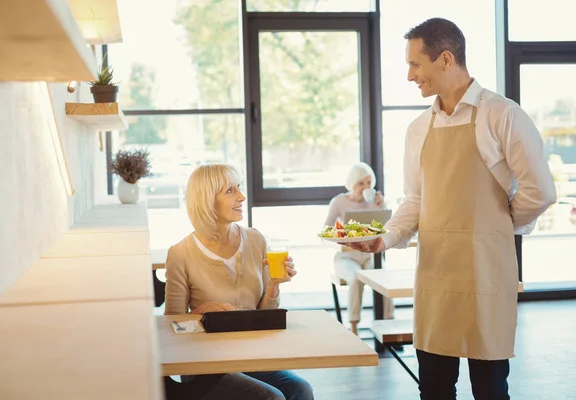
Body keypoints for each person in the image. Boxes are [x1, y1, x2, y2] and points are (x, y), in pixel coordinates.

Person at [347, 18, 556, 400]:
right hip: (435, 274)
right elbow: (415, 199)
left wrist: (499, 225)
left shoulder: (502, 115)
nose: (410, 76)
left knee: (490, 388)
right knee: (435, 388)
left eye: (415, 65)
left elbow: (540, 191)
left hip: (486, 272)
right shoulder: (417, 129)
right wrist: (386, 239)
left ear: (445, 59)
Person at [164, 163, 314, 400]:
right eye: (230, 191)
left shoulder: (255, 240)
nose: (242, 196)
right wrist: (201, 313)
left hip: (250, 355)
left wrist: (274, 284)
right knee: (271, 398)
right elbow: (171, 327)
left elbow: (263, 316)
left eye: (239, 187)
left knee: (300, 389)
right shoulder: (180, 253)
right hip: (206, 365)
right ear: (207, 200)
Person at [324, 162, 394, 335]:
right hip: (347, 258)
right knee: (356, 278)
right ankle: (354, 327)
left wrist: (381, 206)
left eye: (369, 183)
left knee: (383, 276)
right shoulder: (339, 202)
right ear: (352, 183)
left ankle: (389, 326)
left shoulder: (375, 201)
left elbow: (388, 229)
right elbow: (325, 230)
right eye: (361, 183)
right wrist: (342, 241)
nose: (366, 187)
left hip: (370, 256)